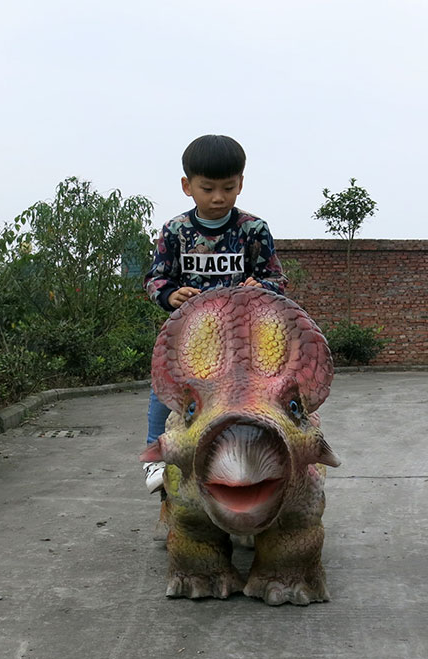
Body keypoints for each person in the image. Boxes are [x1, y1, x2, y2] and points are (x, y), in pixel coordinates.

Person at [142, 134, 287, 493]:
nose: (218, 197)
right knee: (166, 392)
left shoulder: (252, 229)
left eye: (228, 187)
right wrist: (171, 294)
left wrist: (262, 288)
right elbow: (156, 278)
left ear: (241, 183)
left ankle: (259, 460)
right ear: (187, 186)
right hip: (189, 338)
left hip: (243, 343)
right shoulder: (176, 231)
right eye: (208, 188)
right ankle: (156, 459)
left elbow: (276, 278)